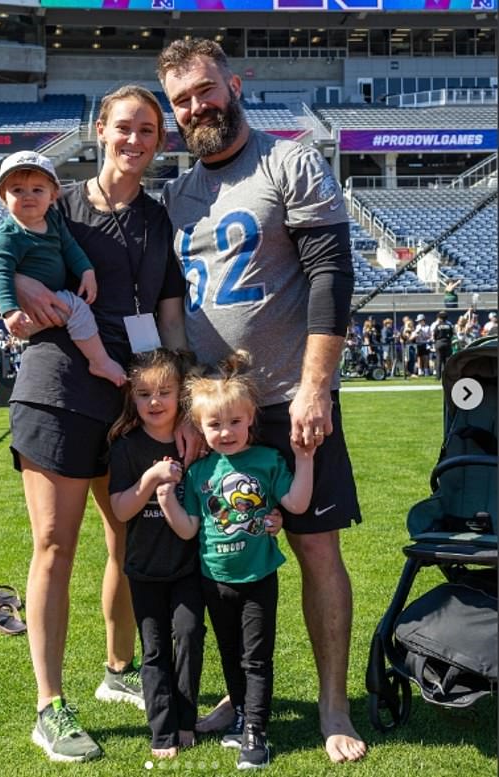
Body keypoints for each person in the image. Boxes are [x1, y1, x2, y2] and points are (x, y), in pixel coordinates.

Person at [156, 38, 366, 763]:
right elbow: (174, 309)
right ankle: (243, 695)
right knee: (221, 554)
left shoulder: (290, 159)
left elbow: (330, 274)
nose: (196, 107)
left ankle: (334, 703)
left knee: (313, 545)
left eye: (206, 89)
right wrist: (188, 405)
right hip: (218, 408)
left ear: (234, 84)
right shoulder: (180, 193)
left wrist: (316, 384)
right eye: (182, 99)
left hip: (287, 395)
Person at [0, 84, 187, 763]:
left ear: (160, 140)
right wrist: (27, 291)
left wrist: (177, 394)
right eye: (124, 126)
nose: (135, 139)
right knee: (55, 546)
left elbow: (167, 308)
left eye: (148, 129)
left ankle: (117, 670)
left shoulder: (158, 218)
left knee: (128, 538)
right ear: (100, 130)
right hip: (59, 390)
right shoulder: (52, 199)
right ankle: (49, 705)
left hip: (129, 396)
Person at [157, 351, 314, 770]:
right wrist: (165, 500)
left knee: (256, 658)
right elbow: (189, 529)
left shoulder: (267, 461)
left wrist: (305, 458)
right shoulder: (198, 472)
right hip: (214, 577)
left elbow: (296, 502)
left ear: (250, 419)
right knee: (230, 654)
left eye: (234, 423)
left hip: (258, 575)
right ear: (200, 426)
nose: (225, 432)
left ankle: (255, 734)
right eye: (214, 425)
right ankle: (242, 711)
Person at [108, 348, 204, 760]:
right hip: (144, 569)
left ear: (180, 394)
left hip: (187, 567)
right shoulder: (126, 447)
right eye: (144, 393)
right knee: (154, 651)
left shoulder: (194, 442)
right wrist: (150, 480)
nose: (154, 402)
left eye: (165, 392)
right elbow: (121, 509)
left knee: (188, 637)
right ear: (133, 397)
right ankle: (162, 731)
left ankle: (185, 720)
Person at [0, 150, 126, 387]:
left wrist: (87, 271)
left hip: (47, 301)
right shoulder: (8, 234)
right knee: (77, 308)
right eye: (17, 190)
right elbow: (0, 274)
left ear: (53, 195)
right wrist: (10, 311)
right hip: (27, 312)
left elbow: (70, 247)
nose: (28, 196)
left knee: (73, 307)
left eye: (37, 189)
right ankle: (100, 361)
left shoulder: (53, 219)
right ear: (3, 197)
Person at [431, 311, 454, 381]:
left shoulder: (437, 326)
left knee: (439, 360)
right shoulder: (449, 325)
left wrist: (436, 340)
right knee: (447, 360)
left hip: (439, 343)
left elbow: (434, 335)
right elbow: (452, 334)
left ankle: (438, 377)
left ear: (440, 318)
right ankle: (447, 376)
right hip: (447, 343)